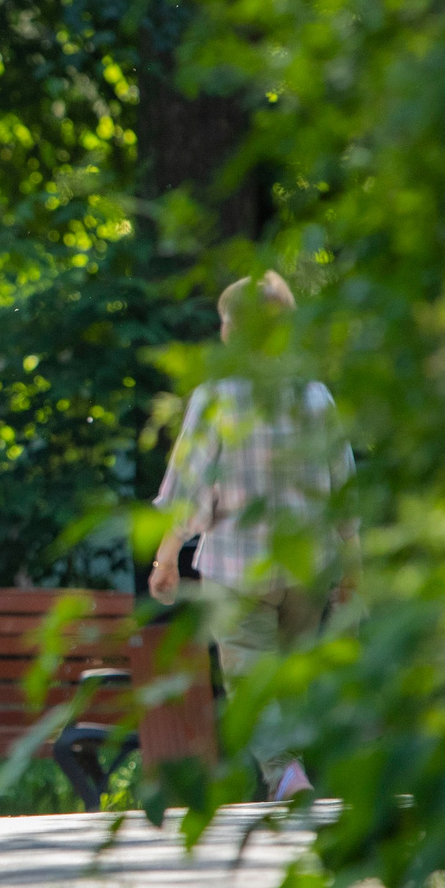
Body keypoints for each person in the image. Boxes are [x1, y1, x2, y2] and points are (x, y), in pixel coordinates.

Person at [149, 271, 356, 801]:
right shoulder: (316, 399)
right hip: (308, 571)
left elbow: (189, 493)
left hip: (238, 574)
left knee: (253, 687)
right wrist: (351, 568)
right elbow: (344, 495)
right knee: (288, 680)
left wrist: (167, 557)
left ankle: (287, 777)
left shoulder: (216, 400)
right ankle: (292, 776)